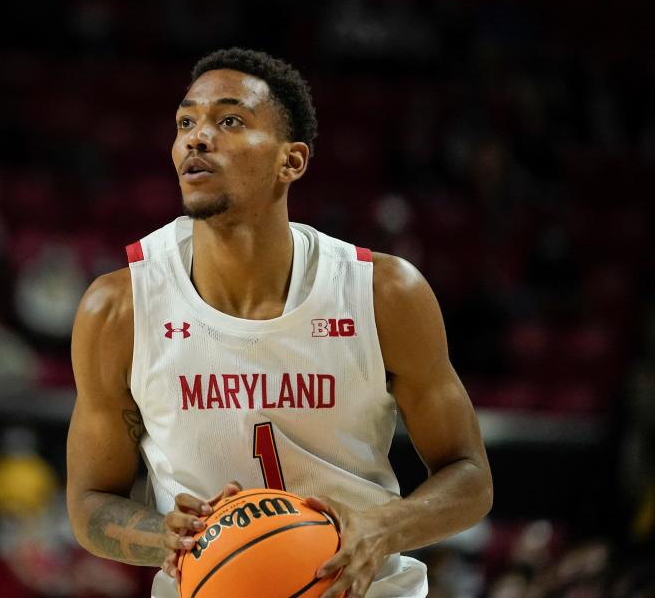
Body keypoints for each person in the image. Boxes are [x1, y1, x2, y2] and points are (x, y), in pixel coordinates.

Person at [66, 48, 493, 598]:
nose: (197, 137)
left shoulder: (382, 293)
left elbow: (471, 477)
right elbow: (88, 505)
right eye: (185, 122)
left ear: (290, 162)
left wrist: (384, 526)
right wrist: (161, 534)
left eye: (230, 120)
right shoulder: (119, 308)